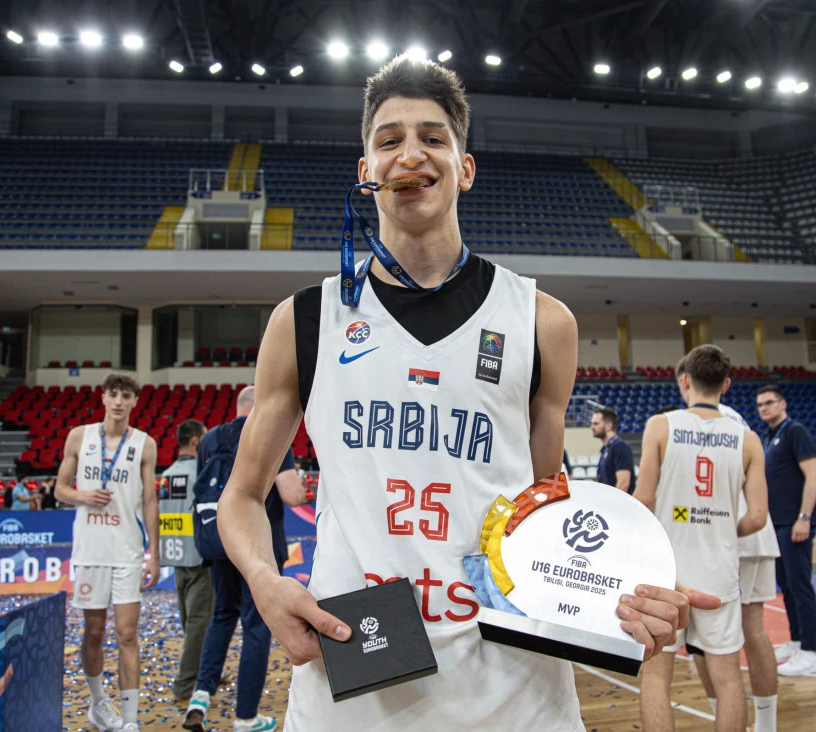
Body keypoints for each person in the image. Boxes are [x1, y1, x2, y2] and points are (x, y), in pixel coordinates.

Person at [215, 55, 716, 732]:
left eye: (432, 137)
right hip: (357, 675)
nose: (409, 155)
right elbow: (242, 496)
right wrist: (265, 581)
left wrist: (618, 588)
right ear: (366, 170)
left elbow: (545, 511)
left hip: (513, 686)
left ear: (465, 167)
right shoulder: (306, 319)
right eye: (389, 140)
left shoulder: (542, 322)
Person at [634, 345, 768, 732]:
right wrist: (723, 527)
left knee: (656, 676)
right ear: (726, 385)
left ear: (685, 380)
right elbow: (757, 517)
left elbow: (644, 500)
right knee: (728, 680)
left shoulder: (661, 425)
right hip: (718, 573)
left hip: (667, 571)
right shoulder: (748, 439)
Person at [183, 387, 305, 732]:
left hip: (221, 540)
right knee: (256, 626)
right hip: (258, 545)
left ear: (238, 406)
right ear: (260, 405)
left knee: (222, 615)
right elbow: (292, 495)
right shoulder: (270, 433)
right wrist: (302, 485)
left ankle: (200, 696)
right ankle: (246, 717)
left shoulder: (209, 439)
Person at [675, 359, 780, 732]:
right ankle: (741, 719)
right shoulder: (719, 420)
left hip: (734, 537)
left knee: (738, 634)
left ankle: (757, 722)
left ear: (687, 382)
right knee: (712, 640)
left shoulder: (710, 422)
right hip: (729, 535)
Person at [54, 373, 159, 732]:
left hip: (127, 549)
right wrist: (83, 495)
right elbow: (59, 489)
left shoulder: (145, 444)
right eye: (113, 394)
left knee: (127, 634)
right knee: (94, 631)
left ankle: (130, 720)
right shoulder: (79, 437)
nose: (118, 401)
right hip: (90, 550)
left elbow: (150, 500)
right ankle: (99, 702)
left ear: (134, 402)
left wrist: (154, 554)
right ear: (103, 398)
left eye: (125, 396)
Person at [756, 383, 816, 676]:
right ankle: (797, 641)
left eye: (769, 402)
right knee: (786, 585)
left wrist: (804, 517)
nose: (764, 408)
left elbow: (813, 476)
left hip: (795, 522)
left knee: (800, 585)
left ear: (783, 404)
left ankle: (811, 651)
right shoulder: (770, 437)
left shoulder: (796, 431)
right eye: (760, 405)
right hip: (777, 522)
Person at [160, 419, 213, 704]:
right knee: (198, 623)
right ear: (195, 441)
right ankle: (185, 683)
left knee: (189, 619)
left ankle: (205, 671)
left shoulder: (166, 476)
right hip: (200, 556)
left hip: (175, 553)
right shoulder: (201, 472)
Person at [591, 406, 636, 492]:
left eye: (596, 424)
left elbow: (623, 484)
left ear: (608, 426)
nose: (592, 427)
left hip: (617, 500)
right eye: (592, 424)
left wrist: (611, 501)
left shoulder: (620, 447)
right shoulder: (607, 448)